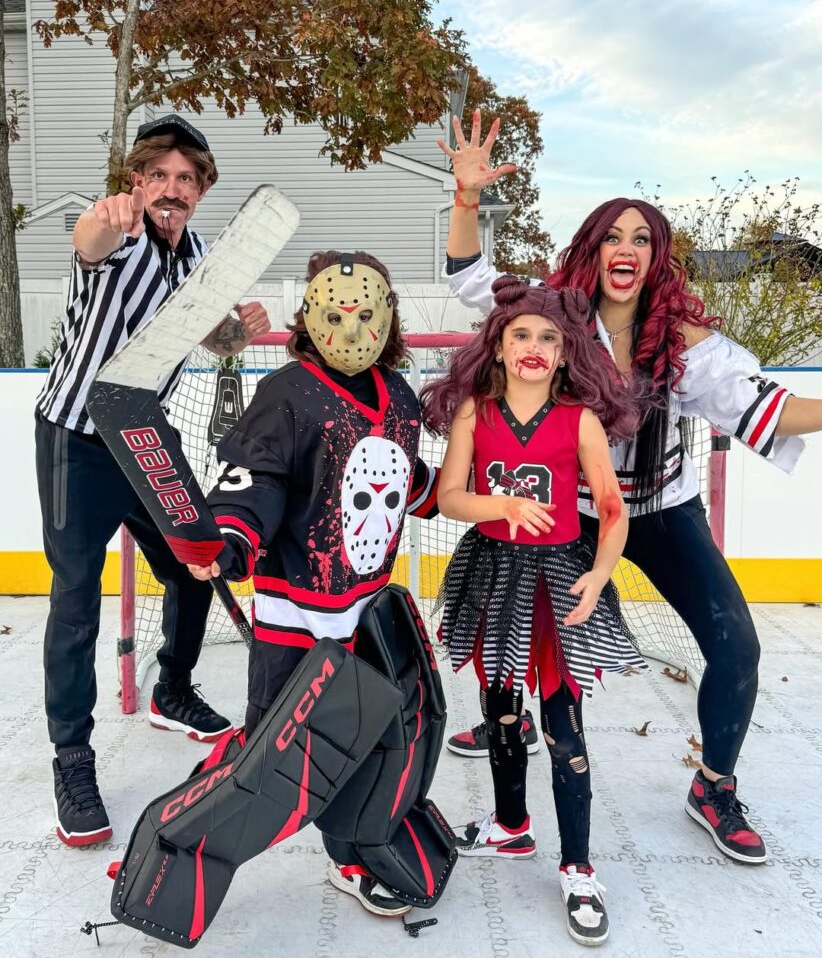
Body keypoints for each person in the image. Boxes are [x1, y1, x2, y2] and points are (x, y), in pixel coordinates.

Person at [438, 110, 822, 866]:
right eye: (613, 235)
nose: (627, 248)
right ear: (591, 248)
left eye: (641, 238)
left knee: (736, 645)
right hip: (567, 515)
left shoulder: (681, 340)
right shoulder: (554, 316)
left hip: (661, 510)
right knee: (534, 649)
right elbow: (471, 280)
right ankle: (507, 725)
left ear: (657, 256)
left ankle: (713, 785)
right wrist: (464, 198)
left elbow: (767, 410)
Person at [35, 114, 271, 848]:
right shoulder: (118, 232)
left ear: (200, 190)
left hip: (143, 437)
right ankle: (72, 756)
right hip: (75, 439)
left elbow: (206, 334)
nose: (171, 190)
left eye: (186, 179)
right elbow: (89, 244)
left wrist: (241, 331)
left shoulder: (197, 253)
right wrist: (102, 221)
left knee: (197, 563)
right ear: (135, 182)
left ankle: (171, 686)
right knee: (77, 605)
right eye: (158, 176)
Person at [186, 250, 441, 917]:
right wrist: (234, 533)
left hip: (366, 615)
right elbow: (257, 477)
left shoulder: (400, 396)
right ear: (310, 316)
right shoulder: (289, 393)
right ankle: (187, 832)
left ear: (389, 319)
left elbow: (407, 478)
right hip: (297, 617)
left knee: (353, 743)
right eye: (335, 315)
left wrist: (472, 492)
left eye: (366, 315)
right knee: (272, 752)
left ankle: (349, 854)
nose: (352, 331)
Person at [420, 275, 647, 947]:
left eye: (549, 338)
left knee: (563, 724)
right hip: (492, 574)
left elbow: (610, 507)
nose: (534, 347)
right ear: (495, 345)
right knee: (500, 712)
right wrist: (504, 506)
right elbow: (451, 496)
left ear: (567, 350)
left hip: (559, 580)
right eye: (521, 334)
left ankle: (577, 866)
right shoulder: (474, 413)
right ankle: (511, 824)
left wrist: (601, 572)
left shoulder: (578, 419)